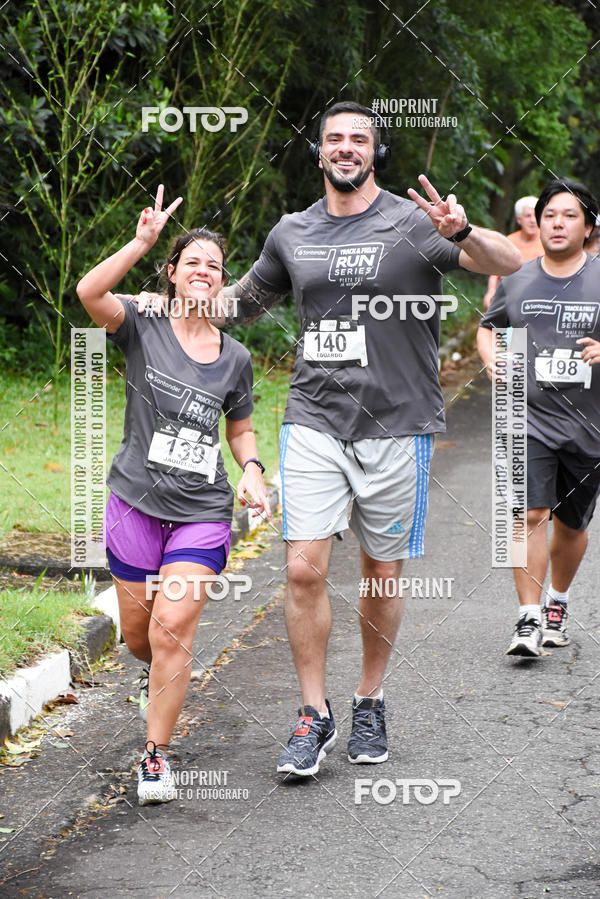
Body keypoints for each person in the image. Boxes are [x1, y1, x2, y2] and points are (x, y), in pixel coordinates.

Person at [131, 102, 520, 777]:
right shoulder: (293, 232)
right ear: (318, 153)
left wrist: (461, 230)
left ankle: (369, 697)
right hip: (314, 419)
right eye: (333, 139)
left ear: (376, 152)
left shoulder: (414, 221)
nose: (345, 148)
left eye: (358, 139)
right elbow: (238, 304)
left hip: (399, 424)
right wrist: (160, 301)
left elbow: (507, 260)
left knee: (381, 571)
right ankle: (314, 711)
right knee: (303, 568)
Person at [76, 186, 271, 804]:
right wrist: (140, 242)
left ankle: (155, 756)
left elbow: (238, 429)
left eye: (214, 265)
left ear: (222, 281)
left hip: (201, 511)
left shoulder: (235, 357)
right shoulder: (142, 325)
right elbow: (88, 293)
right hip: (134, 502)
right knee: (140, 638)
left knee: (172, 629)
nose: (203, 271)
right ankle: (155, 677)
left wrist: (253, 469)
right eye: (193, 262)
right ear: (172, 272)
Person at [477, 178, 600, 657]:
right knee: (527, 513)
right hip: (527, 418)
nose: (557, 223)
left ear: (588, 227)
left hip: (589, 425)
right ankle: (527, 618)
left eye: (570, 215)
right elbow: (488, 328)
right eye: (550, 214)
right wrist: (492, 357)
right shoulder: (517, 278)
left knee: (571, 526)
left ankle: (557, 603)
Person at [482, 196, 543, 309]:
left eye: (535, 216)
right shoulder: (508, 241)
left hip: (538, 300)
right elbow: (495, 272)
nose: (532, 220)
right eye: (528, 216)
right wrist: (490, 292)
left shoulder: (547, 241)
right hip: (507, 299)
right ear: (519, 219)